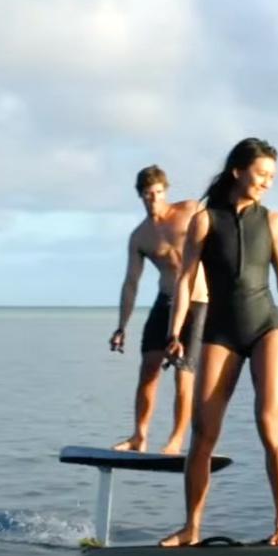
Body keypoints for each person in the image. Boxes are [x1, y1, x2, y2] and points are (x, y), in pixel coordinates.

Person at [158, 138, 278, 547]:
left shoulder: (274, 221)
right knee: (203, 431)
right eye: (261, 174)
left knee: (269, 423)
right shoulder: (205, 220)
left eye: (272, 177)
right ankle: (191, 528)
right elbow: (186, 280)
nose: (267, 183)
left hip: (267, 326)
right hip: (221, 330)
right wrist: (175, 333)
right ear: (238, 171)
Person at [108, 165, 208, 455]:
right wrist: (121, 326)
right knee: (148, 369)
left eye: (159, 193)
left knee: (183, 373)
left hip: (198, 300)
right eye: (148, 194)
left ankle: (176, 440)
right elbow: (130, 283)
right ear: (140, 195)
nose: (154, 199)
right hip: (165, 300)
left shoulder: (190, 210)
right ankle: (139, 436)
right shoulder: (140, 237)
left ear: (166, 191)